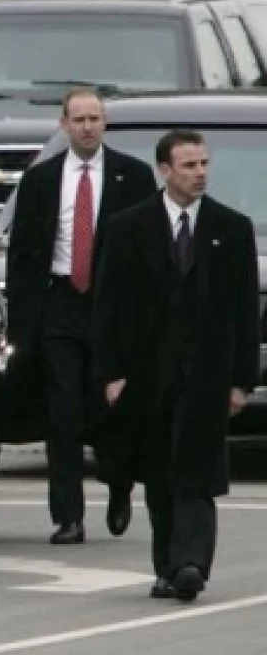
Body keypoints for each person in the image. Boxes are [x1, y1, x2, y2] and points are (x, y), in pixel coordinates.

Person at [92, 129, 258, 603]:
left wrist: (241, 381)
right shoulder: (128, 228)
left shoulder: (232, 228)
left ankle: (191, 564)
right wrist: (111, 373)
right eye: (189, 165)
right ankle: (167, 566)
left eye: (204, 164)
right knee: (161, 474)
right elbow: (107, 307)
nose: (200, 173)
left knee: (198, 472)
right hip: (148, 373)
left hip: (206, 374)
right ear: (165, 170)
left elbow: (245, 311)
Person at [5, 86, 157, 545]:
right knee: (63, 410)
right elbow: (22, 255)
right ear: (64, 125)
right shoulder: (40, 179)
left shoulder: (134, 176)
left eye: (94, 119)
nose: (88, 127)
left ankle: (118, 482)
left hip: (113, 308)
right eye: (79, 119)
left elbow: (149, 254)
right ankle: (68, 515)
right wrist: (22, 328)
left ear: (104, 122)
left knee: (110, 408)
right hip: (60, 304)